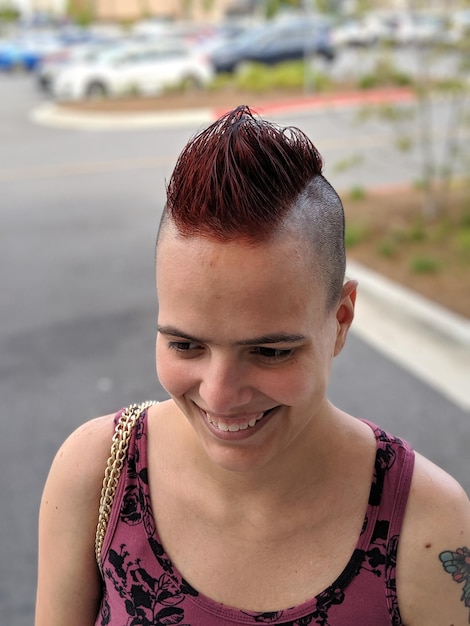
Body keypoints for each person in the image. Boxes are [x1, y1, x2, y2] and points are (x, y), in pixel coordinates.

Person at [35, 105, 470, 626]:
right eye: (185, 346)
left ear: (342, 319)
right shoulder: (96, 473)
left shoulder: (429, 527)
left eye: (270, 351)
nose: (219, 395)